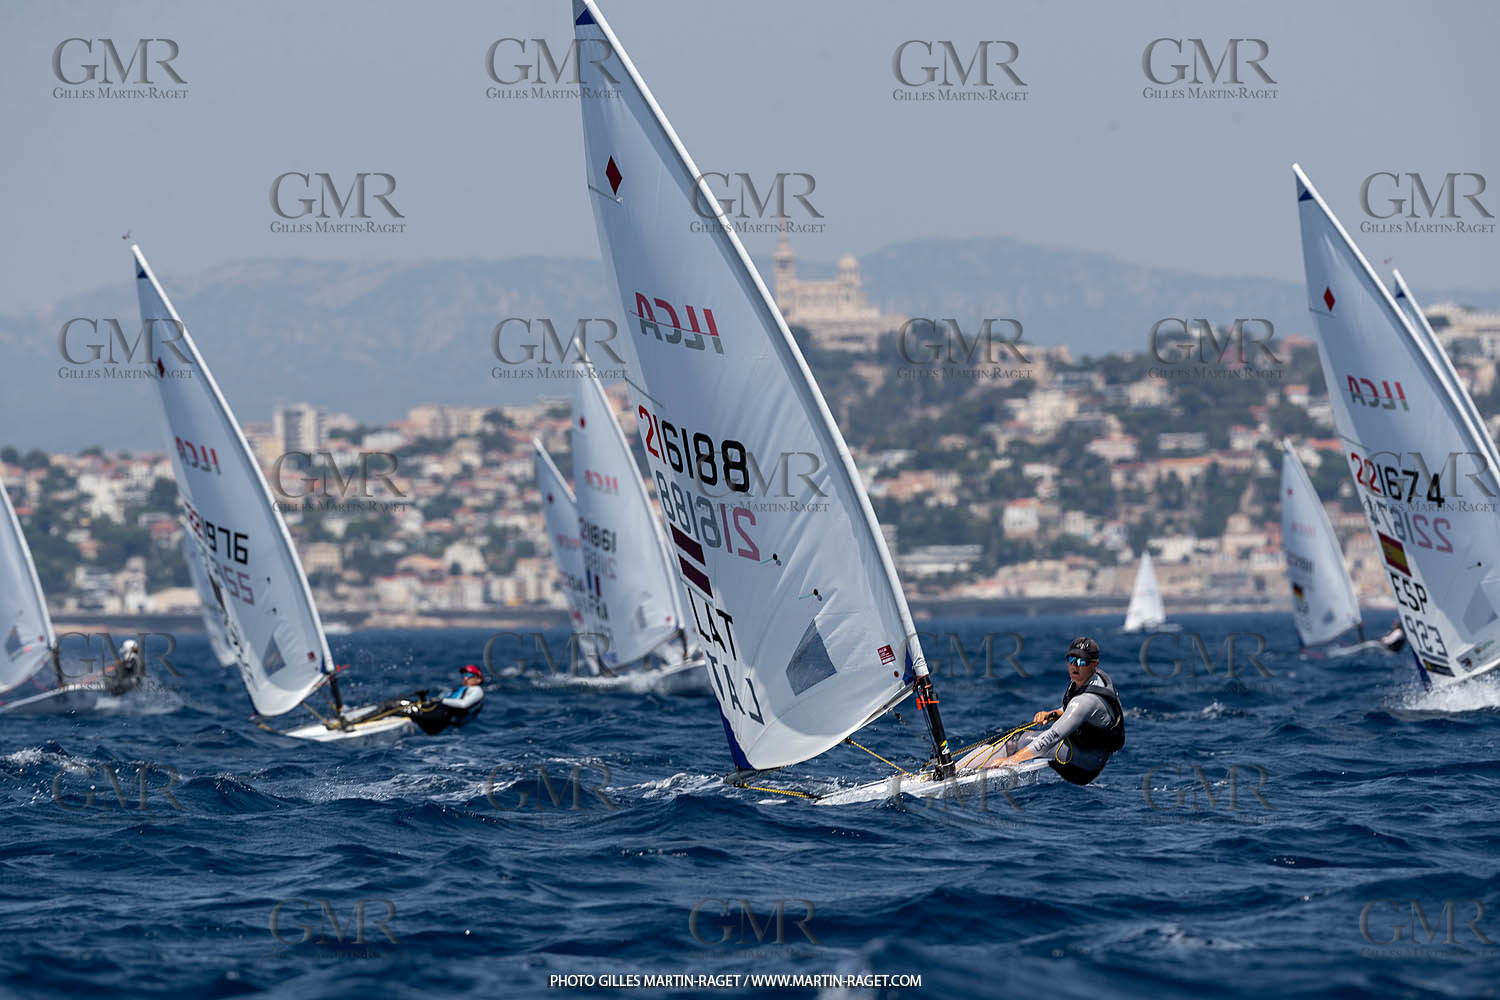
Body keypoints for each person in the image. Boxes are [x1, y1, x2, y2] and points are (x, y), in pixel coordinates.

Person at [980, 636, 1125, 785]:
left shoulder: (1085, 701)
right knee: (1013, 738)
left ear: (1095, 664)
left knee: (1014, 741)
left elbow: (1053, 736)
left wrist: (1014, 759)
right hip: (1093, 758)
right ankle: (971, 768)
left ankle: (967, 772)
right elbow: (1074, 712)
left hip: (1083, 765)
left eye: (1082, 662)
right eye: (1071, 660)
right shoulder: (1095, 678)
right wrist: (1053, 714)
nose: (1075, 666)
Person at [404, 664, 486, 735]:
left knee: (404, 706)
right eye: (464, 675)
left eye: (469, 676)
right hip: (440, 719)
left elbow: (464, 704)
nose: (465, 678)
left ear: (479, 679)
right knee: (410, 705)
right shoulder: (461, 690)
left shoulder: (477, 690)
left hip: (442, 718)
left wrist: (441, 700)